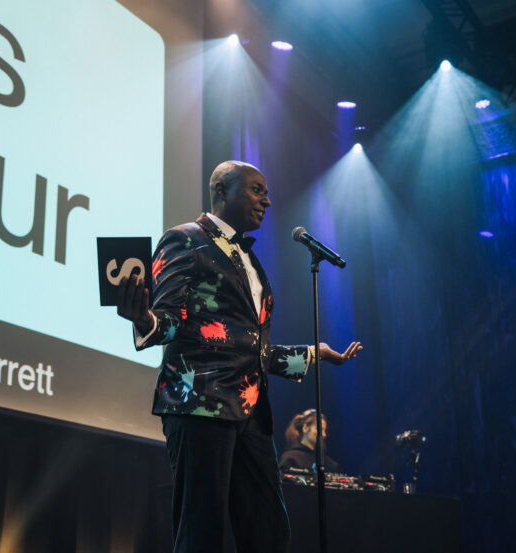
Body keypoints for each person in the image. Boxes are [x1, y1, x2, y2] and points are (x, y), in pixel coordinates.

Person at [117, 160, 362, 553]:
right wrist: (143, 318)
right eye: (256, 189)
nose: (267, 200)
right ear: (221, 191)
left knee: (269, 532)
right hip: (200, 404)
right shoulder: (184, 238)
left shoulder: (251, 262)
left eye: (265, 191)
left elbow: (251, 348)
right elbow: (170, 319)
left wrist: (315, 354)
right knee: (201, 533)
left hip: (251, 414)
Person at [279, 408, 342, 474]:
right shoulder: (290, 459)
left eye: (325, 431)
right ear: (305, 428)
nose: (324, 434)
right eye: (320, 429)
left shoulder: (330, 464)